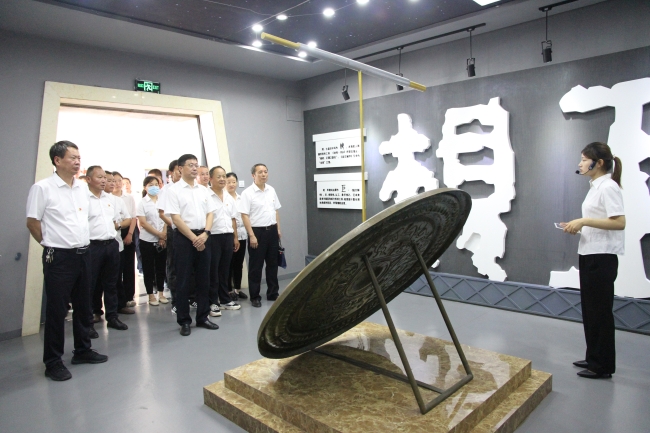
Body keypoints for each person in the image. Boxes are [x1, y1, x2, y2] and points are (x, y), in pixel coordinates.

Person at [26, 141, 108, 381]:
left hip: (84, 253)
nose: (77, 161)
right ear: (57, 160)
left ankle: (82, 350)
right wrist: (50, 244)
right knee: (57, 310)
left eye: (79, 157)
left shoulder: (81, 188)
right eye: (72, 157)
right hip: (59, 257)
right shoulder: (43, 188)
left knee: (83, 306)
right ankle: (53, 362)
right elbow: (32, 222)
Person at [561, 142, 625, 380]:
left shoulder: (608, 187)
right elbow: (599, 220)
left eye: (584, 159)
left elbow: (619, 222)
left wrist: (584, 221)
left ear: (598, 163)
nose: (580, 164)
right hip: (589, 252)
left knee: (600, 312)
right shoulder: (595, 187)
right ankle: (593, 357)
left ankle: (602, 365)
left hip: (602, 256)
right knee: (590, 310)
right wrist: (578, 226)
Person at [165, 154, 218, 335]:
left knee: (204, 279)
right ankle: (184, 321)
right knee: (184, 280)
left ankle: (203, 317)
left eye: (196, 165)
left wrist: (206, 233)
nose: (195, 168)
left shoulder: (204, 190)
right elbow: (175, 218)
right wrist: (194, 238)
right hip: (183, 238)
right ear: (180, 168)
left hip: (204, 235)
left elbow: (210, 213)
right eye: (191, 165)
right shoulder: (173, 190)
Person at [86, 166, 130, 333]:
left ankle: (112, 317)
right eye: (100, 177)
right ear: (89, 179)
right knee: (90, 285)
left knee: (111, 283)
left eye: (105, 177)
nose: (104, 180)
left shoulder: (110, 199)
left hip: (111, 244)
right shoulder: (83, 199)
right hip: (92, 246)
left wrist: (117, 226)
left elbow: (121, 220)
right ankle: (88, 321)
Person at [238, 164, 282, 308]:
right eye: (260, 172)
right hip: (257, 232)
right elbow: (244, 215)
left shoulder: (271, 190)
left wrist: (278, 229)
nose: (264, 174)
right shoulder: (247, 193)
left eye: (265, 172)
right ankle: (255, 296)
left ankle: (273, 293)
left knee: (272, 264)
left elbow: (276, 211)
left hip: (272, 231)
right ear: (253, 175)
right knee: (256, 266)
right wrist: (251, 235)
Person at [208, 166, 241, 317]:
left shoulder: (228, 196)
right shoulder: (206, 196)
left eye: (224, 176)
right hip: (213, 237)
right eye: (219, 176)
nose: (222, 179)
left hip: (228, 236)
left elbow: (233, 219)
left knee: (224, 270)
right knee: (213, 271)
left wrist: (235, 237)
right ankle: (213, 302)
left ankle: (225, 300)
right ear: (211, 178)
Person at [137, 176, 168, 305]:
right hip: (147, 240)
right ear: (145, 187)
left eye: (156, 184)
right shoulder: (142, 203)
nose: (154, 187)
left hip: (162, 240)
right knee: (148, 268)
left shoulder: (163, 201)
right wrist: (159, 234)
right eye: (151, 185)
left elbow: (166, 218)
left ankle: (161, 293)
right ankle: (150, 295)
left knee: (161, 267)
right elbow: (143, 223)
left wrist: (163, 235)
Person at [156, 163, 181, 313]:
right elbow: (161, 213)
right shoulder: (166, 190)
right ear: (171, 172)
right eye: (178, 170)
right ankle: (176, 300)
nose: (181, 172)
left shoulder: (189, 188)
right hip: (174, 230)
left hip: (190, 231)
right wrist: (175, 225)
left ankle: (191, 297)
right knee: (173, 265)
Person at [113, 171, 138, 312]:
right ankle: (116, 299)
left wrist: (130, 234)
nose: (117, 183)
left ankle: (129, 296)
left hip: (127, 230)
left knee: (128, 266)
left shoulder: (128, 198)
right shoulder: (108, 198)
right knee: (116, 268)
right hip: (113, 232)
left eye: (119, 180)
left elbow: (133, 217)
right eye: (114, 180)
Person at [226, 172, 248, 300]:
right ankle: (229, 290)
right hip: (229, 235)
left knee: (238, 263)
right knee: (228, 264)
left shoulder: (241, 198)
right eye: (229, 182)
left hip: (242, 235)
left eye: (233, 182)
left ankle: (238, 289)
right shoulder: (224, 198)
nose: (231, 184)